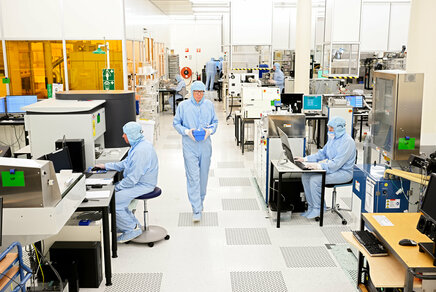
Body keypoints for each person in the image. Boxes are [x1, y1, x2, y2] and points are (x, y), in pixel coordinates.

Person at [95, 122, 159, 242]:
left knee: (114, 201)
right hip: (138, 182)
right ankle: (133, 225)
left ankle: (130, 229)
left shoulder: (141, 151)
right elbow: (125, 164)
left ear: (132, 135)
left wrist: (116, 187)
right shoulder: (138, 146)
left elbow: (132, 179)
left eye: (125, 134)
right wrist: (105, 166)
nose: (123, 136)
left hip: (143, 185)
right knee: (118, 199)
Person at [173, 81, 218, 222]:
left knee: (203, 176)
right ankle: (196, 209)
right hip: (189, 145)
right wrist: (187, 131)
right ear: (191, 92)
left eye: (201, 92)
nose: (199, 95)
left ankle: (201, 200)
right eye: (196, 92)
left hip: (205, 146)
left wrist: (209, 131)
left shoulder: (209, 105)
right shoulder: (183, 106)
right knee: (193, 177)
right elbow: (176, 123)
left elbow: (215, 122)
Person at [295, 116, 356, 219]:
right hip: (331, 169)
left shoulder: (347, 142)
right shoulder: (333, 138)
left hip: (344, 173)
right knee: (306, 175)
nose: (329, 130)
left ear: (339, 127)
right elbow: (322, 154)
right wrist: (305, 159)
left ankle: (318, 209)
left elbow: (336, 164)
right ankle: (312, 207)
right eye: (329, 127)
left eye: (331, 128)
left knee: (315, 180)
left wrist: (319, 166)